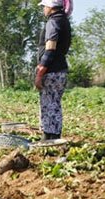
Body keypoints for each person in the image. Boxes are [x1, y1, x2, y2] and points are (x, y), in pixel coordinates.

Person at [36, 0, 72, 140]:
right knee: (54, 104)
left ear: (51, 7)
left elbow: (50, 48)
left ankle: (49, 138)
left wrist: (40, 72)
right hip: (60, 69)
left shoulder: (53, 22)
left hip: (51, 70)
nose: (44, 9)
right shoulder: (64, 21)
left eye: (44, 6)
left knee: (48, 105)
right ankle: (54, 137)